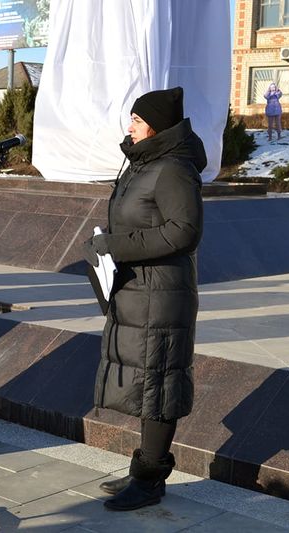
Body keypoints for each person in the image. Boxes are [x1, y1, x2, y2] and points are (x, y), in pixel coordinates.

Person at [82, 86, 205, 511]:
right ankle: (142, 472)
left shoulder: (172, 168)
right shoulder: (142, 164)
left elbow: (184, 231)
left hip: (161, 293)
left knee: (158, 383)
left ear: (155, 125)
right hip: (138, 289)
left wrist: (120, 246)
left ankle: (150, 481)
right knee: (145, 381)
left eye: (136, 120)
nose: (129, 126)